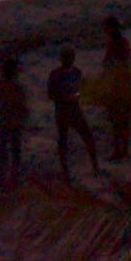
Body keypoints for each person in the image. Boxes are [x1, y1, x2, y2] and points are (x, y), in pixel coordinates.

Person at [47, 41, 102, 179]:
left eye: (70, 56)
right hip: (63, 110)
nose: (69, 59)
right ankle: (65, 168)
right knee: (64, 139)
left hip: (74, 109)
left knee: (86, 136)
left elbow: (81, 88)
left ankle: (95, 165)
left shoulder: (76, 72)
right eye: (66, 57)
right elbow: (51, 94)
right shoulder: (56, 75)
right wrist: (64, 97)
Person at [98, 12, 131, 161]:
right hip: (123, 82)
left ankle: (118, 151)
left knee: (116, 119)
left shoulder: (115, 43)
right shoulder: (122, 42)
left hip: (117, 83)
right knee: (123, 119)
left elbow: (111, 62)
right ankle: (124, 151)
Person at [0, 48, 31, 189]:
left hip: (3, 122)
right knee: (15, 151)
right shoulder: (17, 88)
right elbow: (23, 106)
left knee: (4, 151)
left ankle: (2, 178)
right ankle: (13, 178)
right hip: (14, 122)